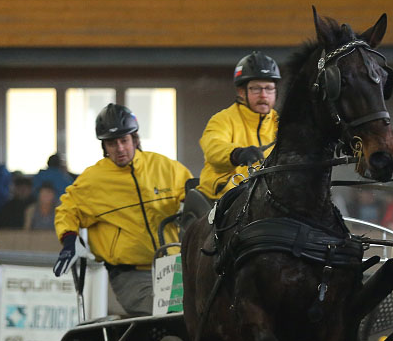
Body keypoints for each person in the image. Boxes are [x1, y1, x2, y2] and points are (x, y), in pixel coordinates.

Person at [53, 103, 190, 316]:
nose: (120, 149)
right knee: (164, 316)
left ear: (135, 139)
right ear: (104, 146)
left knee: (187, 318)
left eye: (124, 140)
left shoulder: (166, 168)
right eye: (111, 143)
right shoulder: (93, 180)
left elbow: (195, 195)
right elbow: (67, 210)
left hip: (173, 265)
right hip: (130, 274)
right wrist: (69, 238)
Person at [195, 51, 280, 204]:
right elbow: (213, 147)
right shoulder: (222, 119)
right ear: (241, 92)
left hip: (267, 195)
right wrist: (236, 154)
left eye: (269, 88)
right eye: (256, 88)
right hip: (225, 196)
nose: (263, 95)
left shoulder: (281, 124)